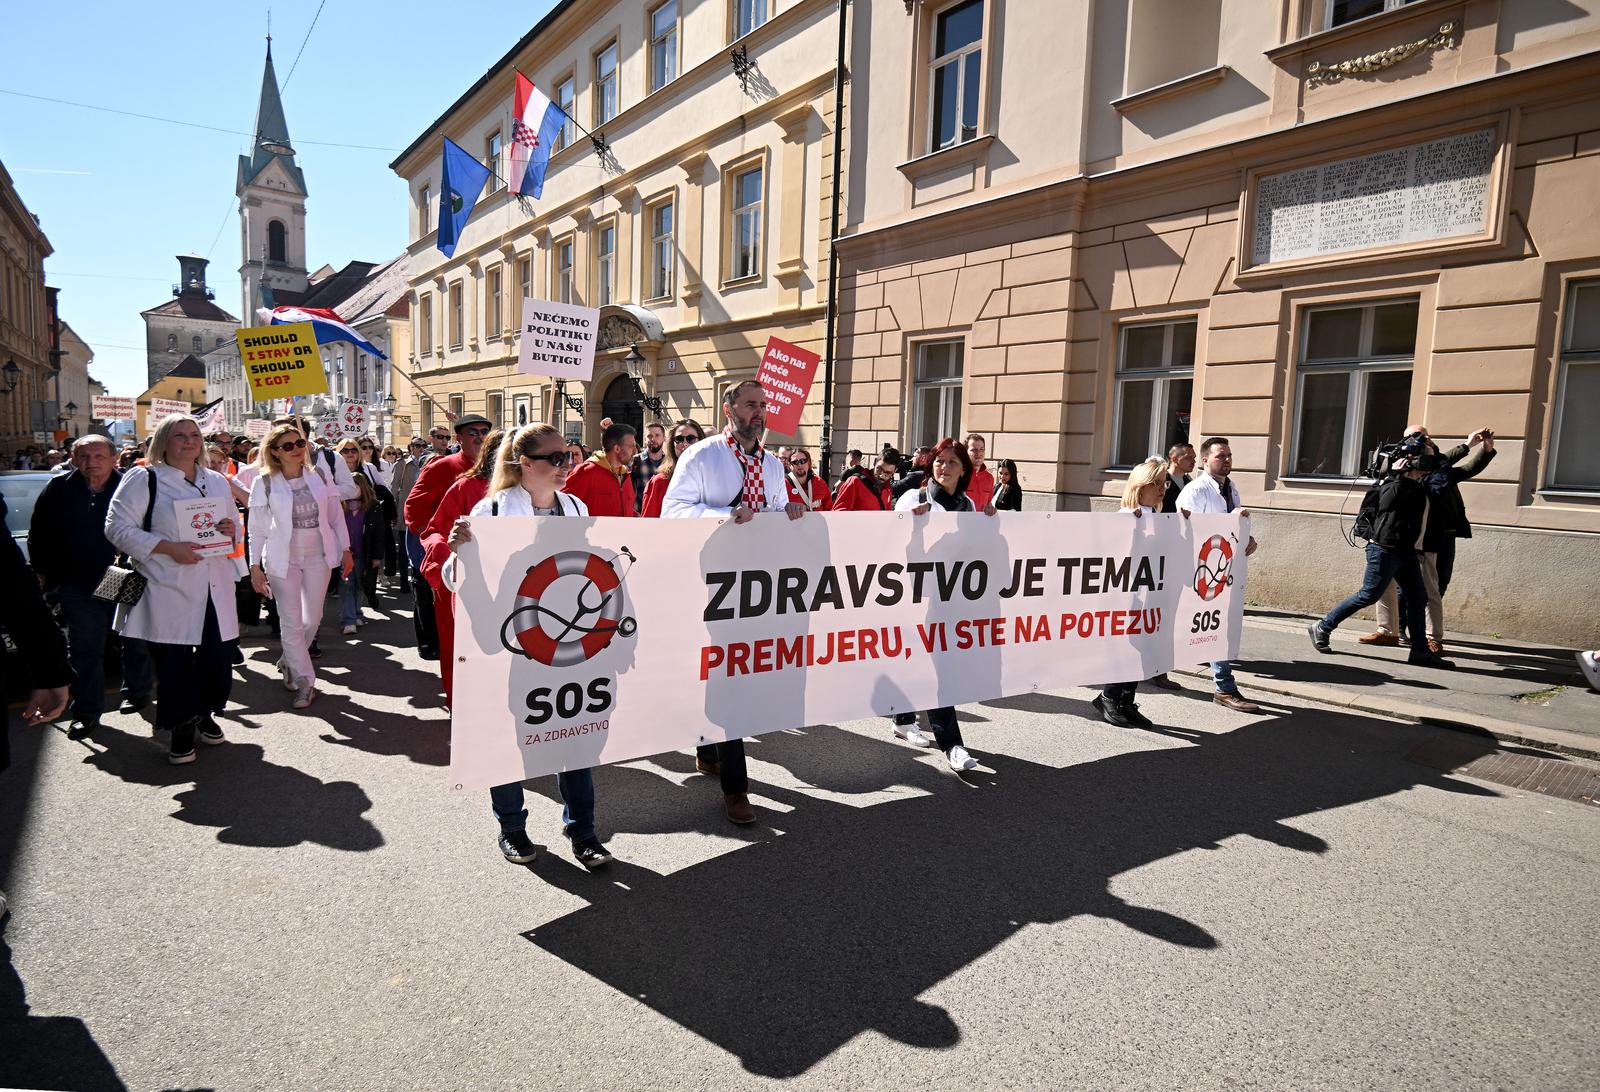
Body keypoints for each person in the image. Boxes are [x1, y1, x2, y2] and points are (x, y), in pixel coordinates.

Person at [447, 424, 611, 868]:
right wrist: (461, 551)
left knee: (576, 735)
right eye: (555, 459)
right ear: (525, 464)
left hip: (568, 639)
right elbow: (454, 576)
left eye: (569, 456)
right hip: (514, 641)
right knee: (512, 739)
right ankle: (512, 828)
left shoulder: (575, 505)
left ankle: (584, 831)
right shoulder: (493, 510)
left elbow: (591, 563)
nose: (566, 466)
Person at [664, 379, 806, 824]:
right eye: (750, 404)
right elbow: (674, 513)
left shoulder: (772, 465)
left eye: (763, 405)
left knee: (739, 672)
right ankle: (736, 788)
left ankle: (709, 751)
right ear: (729, 409)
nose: (760, 412)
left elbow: (780, 512)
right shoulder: (702, 455)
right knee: (731, 677)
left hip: (759, 587)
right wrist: (723, 515)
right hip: (715, 585)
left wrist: (791, 513)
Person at [104, 414, 242, 764]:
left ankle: (204, 711)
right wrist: (169, 547)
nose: (189, 440)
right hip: (167, 584)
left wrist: (230, 528)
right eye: (179, 435)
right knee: (174, 663)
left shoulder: (216, 480)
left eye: (194, 434)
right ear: (164, 442)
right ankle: (182, 725)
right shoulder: (145, 478)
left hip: (215, 585)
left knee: (217, 658)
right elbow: (116, 528)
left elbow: (233, 527)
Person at [28, 435, 154, 738]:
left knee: (134, 640)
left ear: (114, 459)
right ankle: (85, 712)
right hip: (77, 582)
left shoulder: (131, 487)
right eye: (84, 457)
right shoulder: (59, 488)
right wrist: (44, 573)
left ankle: (137, 692)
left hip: (124, 575)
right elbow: (40, 533)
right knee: (85, 649)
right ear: (73, 459)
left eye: (99, 456)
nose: (91, 463)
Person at [1308, 433, 1454, 670]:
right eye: (1425, 460)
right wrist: (1397, 475)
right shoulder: (1391, 484)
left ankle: (1419, 650)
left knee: (1418, 599)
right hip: (1384, 550)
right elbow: (1387, 506)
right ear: (1411, 461)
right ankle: (1322, 626)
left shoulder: (1420, 485)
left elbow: (1441, 482)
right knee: (1368, 595)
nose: (1428, 465)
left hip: (1406, 552)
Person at [891, 438, 995, 771]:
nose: (943, 467)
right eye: (939, 460)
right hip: (917, 597)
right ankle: (952, 744)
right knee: (939, 671)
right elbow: (887, 545)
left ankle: (903, 717)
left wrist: (991, 524)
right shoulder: (914, 498)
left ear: (964, 470)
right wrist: (911, 525)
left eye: (952, 462)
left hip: (953, 600)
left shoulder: (967, 506)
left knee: (928, 664)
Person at [247, 424, 353, 709]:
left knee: (312, 618)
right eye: (288, 446)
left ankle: (290, 660)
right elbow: (256, 529)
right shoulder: (265, 482)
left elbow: (334, 516)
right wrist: (254, 566)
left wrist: (346, 549)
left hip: (318, 554)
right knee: (291, 621)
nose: (296, 449)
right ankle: (305, 682)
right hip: (283, 558)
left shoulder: (318, 474)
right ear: (274, 452)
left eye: (300, 443)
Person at [1364, 426, 1497, 652]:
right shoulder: (1398, 466)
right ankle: (1390, 631)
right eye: (1413, 438)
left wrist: (1473, 446)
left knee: (1433, 586)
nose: (1419, 441)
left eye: (1423, 437)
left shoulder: (1437, 468)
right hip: (1397, 536)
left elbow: (1461, 467)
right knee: (1388, 585)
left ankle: (1430, 637)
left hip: (1435, 536)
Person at [1175, 437, 1264, 713]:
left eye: (1228, 455)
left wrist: (1246, 538)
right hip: (1200, 572)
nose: (1226, 460)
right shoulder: (1195, 491)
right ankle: (1224, 687)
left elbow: (1230, 528)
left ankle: (1223, 688)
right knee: (1209, 626)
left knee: (1215, 627)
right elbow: (1184, 529)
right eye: (1220, 456)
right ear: (1205, 461)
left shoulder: (1231, 488)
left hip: (1221, 570)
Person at [1091, 459, 1180, 729]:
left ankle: (1125, 701)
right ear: (1140, 487)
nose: (1161, 488)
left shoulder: (1161, 519)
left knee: (1143, 650)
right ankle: (1109, 696)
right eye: (1155, 483)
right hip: (1127, 597)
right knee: (1129, 649)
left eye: (1163, 482)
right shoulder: (1125, 517)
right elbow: (1115, 560)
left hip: (1150, 597)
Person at [418, 427, 504, 706]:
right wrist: (449, 558)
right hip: (462, 581)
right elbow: (434, 530)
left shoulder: (539, 494)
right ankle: (462, 708)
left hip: (511, 587)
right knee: (460, 651)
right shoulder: (465, 487)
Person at [405, 416, 492, 663]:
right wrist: (436, 544)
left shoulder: (499, 471)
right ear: (458, 438)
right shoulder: (442, 467)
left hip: (488, 562)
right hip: (449, 559)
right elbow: (414, 509)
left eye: (484, 431)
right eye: (473, 432)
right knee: (449, 629)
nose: (479, 436)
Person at [336, 439, 383, 635]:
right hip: (345, 553)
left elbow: (378, 534)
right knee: (347, 585)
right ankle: (348, 619)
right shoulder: (339, 508)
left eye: (355, 487)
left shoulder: (371, 508)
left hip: (364, 553)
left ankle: (356, 611)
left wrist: (376, 557)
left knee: (359, 585)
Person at [563, 421, 639, 517]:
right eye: (631, 447)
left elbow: (626, 510)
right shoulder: (586, 471)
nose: (635, 451)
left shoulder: (625, 475)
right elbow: (562, 505)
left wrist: (637, 518)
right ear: (617, 449)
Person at [639, 419, 706, 518]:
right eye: (679, 439)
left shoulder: (712, 478)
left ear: (701, 441)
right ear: (672, 444)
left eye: (690, 439)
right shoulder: (659, 482)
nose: (684, 444)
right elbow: (649, 524)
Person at [630, 421, 667, 509]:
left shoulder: (669, 462)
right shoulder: (634, 461)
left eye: (657, 435)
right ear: (645, 439)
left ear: (664, 438)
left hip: (663, 516)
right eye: (649, 436)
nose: (653, 439)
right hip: (641, 515)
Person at [1162, 443, 1195, 513]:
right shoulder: (1160, 481)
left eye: (1194, 458)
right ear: (1175, 459)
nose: (1193, 461)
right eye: (1188, 457)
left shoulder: (1190, 483)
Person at [965, 433, 995, 511]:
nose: (979, 453)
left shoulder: (989, 478)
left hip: (982, 522)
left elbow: (988, 503)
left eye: (981, 449)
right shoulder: (959, 475)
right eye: (974, 450)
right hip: (962, 522)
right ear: (966, 452)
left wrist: (991, 508)